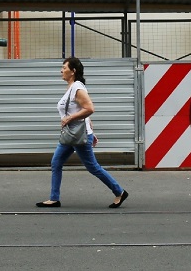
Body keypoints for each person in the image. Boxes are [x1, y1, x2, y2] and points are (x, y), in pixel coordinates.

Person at [36, 56, 129, 209]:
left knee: (92, 166)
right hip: (72, 135)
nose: (61, 71)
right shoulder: (72, 87)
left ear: (73, 71)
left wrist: (70, 119)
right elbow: (83, 111)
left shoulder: (77, 88)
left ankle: (119, 191)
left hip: (78, 135)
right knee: (56, 162)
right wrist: (90, 129)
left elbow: (89, 108)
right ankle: (54, 198)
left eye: (64, 68)